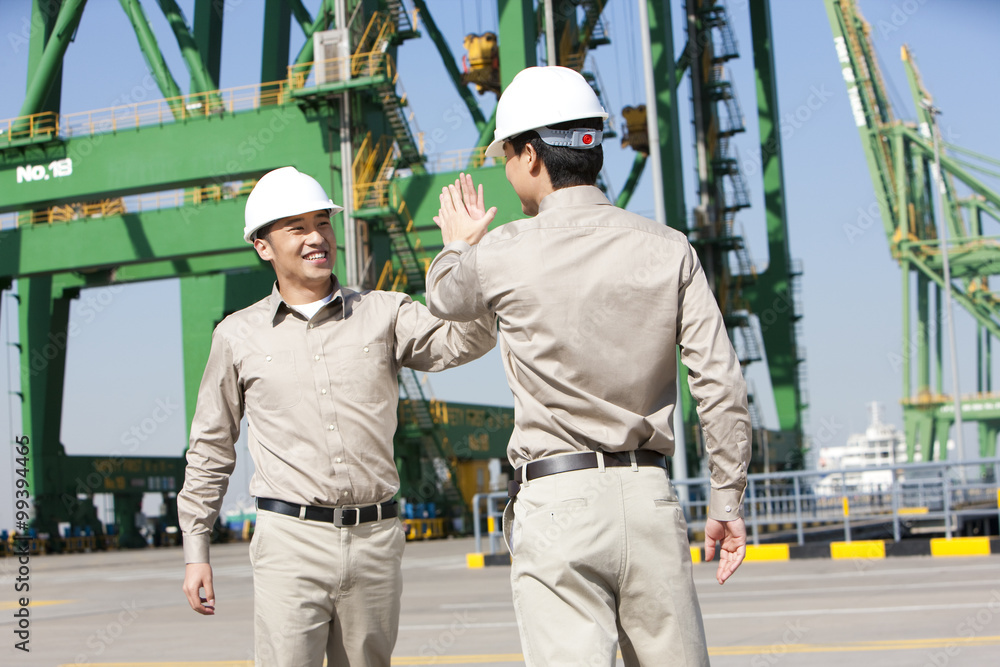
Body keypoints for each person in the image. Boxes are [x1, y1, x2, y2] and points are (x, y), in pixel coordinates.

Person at [425, 66, 750, 667]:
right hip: (650, 498)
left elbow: (444, 298)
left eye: (506, 155)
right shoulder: (669, 247)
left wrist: (459, 241)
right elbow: (721, 386)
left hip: (557, 503)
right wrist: (726, 500)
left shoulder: (503, 252)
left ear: (529, 155)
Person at [178, 166, 496, 667]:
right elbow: (211, 446)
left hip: (375, 540)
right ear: (263, 246)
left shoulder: (385, 313)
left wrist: (469, 256)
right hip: (289, 542)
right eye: (297, 227)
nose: (316, 238)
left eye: (322, 223)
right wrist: (197, 548)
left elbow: (467, 339)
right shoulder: (237, 337)